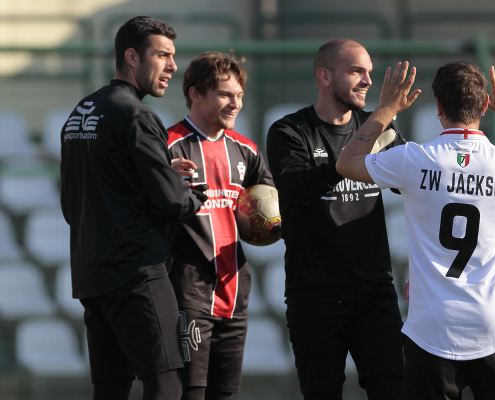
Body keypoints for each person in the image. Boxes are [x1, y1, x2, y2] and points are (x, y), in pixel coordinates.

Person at [337, 60, 495, 400]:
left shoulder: (412, 159)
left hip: (431, 329)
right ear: (485, 104)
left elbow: (346, 162)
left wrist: (387, 108)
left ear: (438, 105)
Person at [60, 16, 207, 400]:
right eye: (162, 55)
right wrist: (193, 194)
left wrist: (161, 172)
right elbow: (172, 201)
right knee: (166, 384)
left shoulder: (80, 113)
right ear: (131, 56)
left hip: (92, 274)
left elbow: (74, 202)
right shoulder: (137, 115)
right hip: (136, 274)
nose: (172, 66)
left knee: (111, 388)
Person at [266, 38, 407, 400]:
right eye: (356, 71)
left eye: (369, 72)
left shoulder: (379, 128)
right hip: (315, 291)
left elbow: (410, 183)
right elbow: (294, 190)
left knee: (393, 388)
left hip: (375, 287)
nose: (368, 81)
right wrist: (353, 155)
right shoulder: (289, 130)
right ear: (325, 76)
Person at [166, 51, 274, 400]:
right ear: (196, 94)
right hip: (186, 291)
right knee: (190, 393)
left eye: (239, 95)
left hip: (235, 290)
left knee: (224, 394)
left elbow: (271, 212)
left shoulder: (247, 151)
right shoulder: (167, 146)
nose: (235, 103)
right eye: (225, 95)